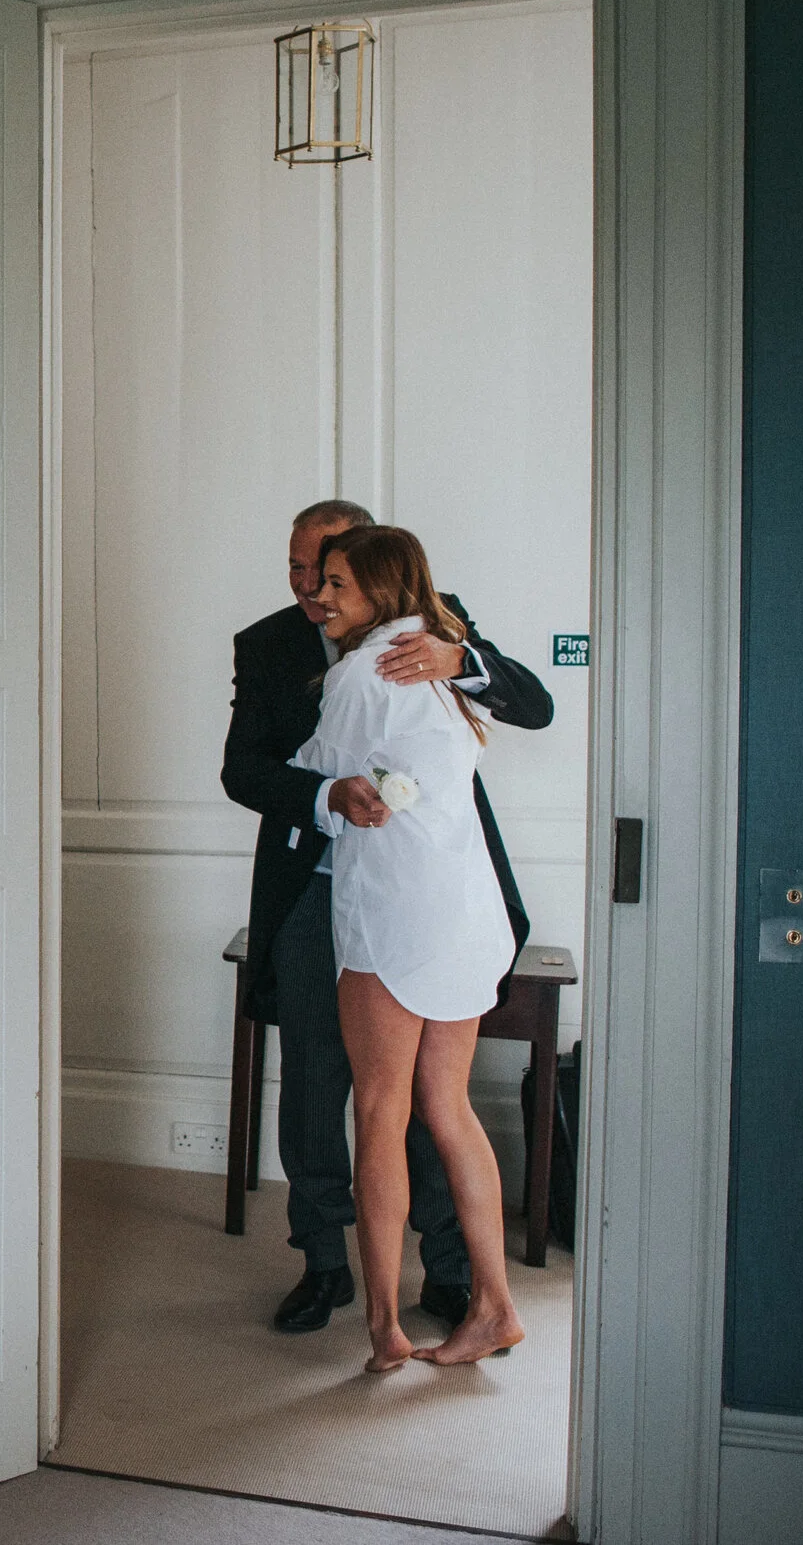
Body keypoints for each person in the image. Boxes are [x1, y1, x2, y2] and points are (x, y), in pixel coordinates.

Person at [221, 501, 550, 1337]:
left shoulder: (438, 624)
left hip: (416, 892)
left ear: (369, 569)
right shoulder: (266, 644)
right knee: (315, 1078)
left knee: (418, 1100)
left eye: (326, 571)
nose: (309, 588)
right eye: (296, 569)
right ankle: (322, 1262)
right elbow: (243, 771)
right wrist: (325, 793)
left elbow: (535, 704)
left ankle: (448, 1270)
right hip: (313, 885)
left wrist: (463, 659)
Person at [290, 523, 530, 1371]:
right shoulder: (449, 667)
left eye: (339, 583)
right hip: (466, 910)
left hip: (396, 913)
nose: (322, 596)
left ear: (382, 589)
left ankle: (386, 1324)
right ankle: (495, 1305)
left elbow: (316, 765)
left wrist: (328, 777)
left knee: (380, 1110)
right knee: (449, 1107)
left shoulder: (361, 673)